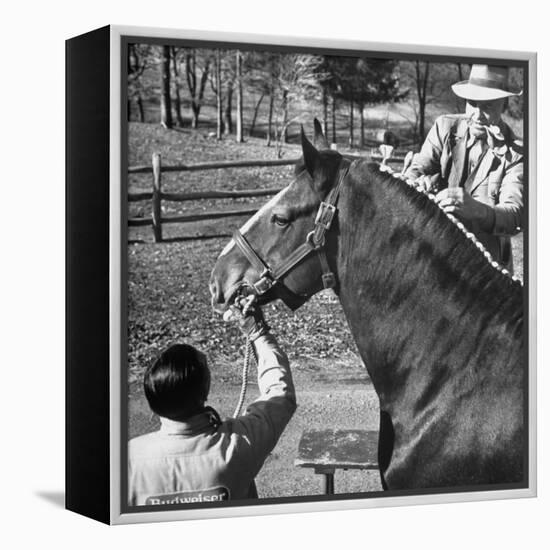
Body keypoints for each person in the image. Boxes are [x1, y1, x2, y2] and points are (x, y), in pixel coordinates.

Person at [128, 301, 296, 506]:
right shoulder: (239, 444)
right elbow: (279, 393)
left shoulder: (129, 460)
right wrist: (257, 331)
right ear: (205, 389)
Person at [404, 64, 524, 271]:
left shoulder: (517, 153)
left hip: (485, 268)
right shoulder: (444, 127)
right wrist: (416, 183)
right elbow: (416, 169)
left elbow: (514, 216)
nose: (477, 115)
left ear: (503, 106)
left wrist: (476, 209)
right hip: (434, 254)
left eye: (487, 106)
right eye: (472, 103)